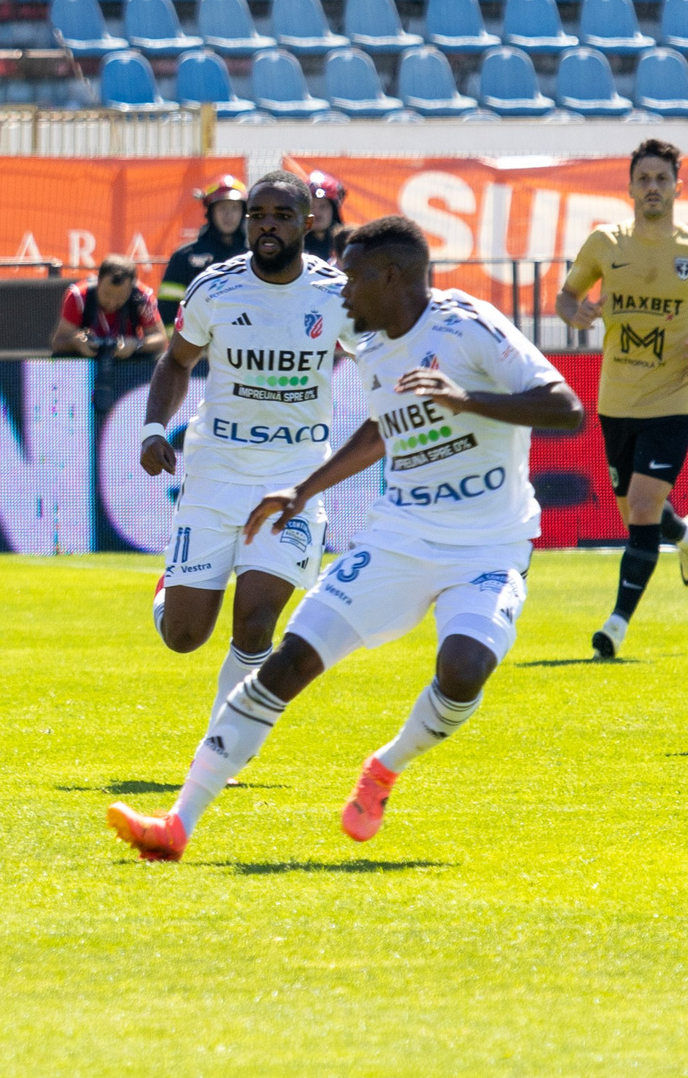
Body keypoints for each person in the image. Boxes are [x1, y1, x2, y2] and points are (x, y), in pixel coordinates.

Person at [108, 215, 583, 862]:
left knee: (464, 669)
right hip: (398, 538)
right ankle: (176, 824)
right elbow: (381, 429)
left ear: (391, 277)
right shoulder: (377, 347)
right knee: (288, 660)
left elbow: (566, 408)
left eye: (353, 278)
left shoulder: (468, 325)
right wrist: (303, 491)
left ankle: (386, 767)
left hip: (488, 546)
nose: (343, 292)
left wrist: (466, 399)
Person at [136, 172, 353, 719]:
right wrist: (154, 428)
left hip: (293, 480)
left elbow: (382, 360)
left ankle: (220, 746)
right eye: (259, 215)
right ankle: (170, 586)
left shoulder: (337, 295)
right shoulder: (215, 288)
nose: (267, 226)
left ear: (307, 223)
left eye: (282, 216)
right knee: (184, 636)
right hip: (216, 474)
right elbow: (176, 361)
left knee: (256, 624)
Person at [556, 139, 688, 659]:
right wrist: (575, 313)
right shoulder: (605, 243)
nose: (653, 187)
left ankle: (615, 626)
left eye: (662, 179)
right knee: (639, 510)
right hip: (616, 400)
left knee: (640, 507)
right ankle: (686, 535)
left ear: (678, 187)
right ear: (630, 188)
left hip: (674, 399)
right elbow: (566, 296)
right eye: (644, 179)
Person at [157, 175, 248, 326]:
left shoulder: (254, 256)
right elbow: (168, 310)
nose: (228, 215)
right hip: (198, 338)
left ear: (243, 212)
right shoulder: (184, 257)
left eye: (234, 208)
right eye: (222, 208)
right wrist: (181, 341)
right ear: (210, 212)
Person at [52, 255, 169, 361]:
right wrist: (76, 343)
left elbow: (161, 340)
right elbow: (57, 342)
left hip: (128, 364)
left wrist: (137, 344)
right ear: (98, 281)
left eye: (120, 297)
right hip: (86, 366)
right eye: (106, 294)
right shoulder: (78, 296)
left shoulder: (142, 297)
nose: (112, 302)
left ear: (131, 288)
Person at [304, 171, 346, 261]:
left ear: (334, 211)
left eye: (323, 206)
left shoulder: (347, 243)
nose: (316, 212)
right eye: (311, 207)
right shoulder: (293, 245)